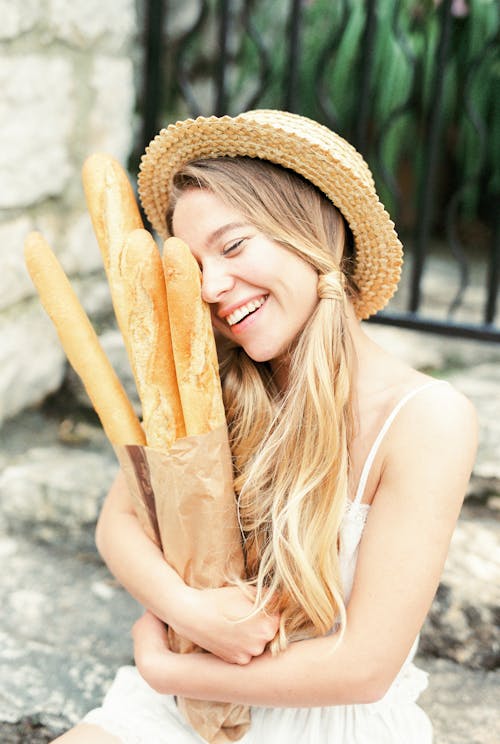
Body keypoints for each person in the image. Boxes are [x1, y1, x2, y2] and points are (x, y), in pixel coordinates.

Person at [53, 110, 477, 743]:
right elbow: (119, 521)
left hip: (329, 723)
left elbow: (364, 668)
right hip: (179, 705)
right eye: (193, 266)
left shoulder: (426, 420)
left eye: (234, 245)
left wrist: (167, 666)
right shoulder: (206, 382)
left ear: (312, 234)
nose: (213, 287)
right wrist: (189, 611)